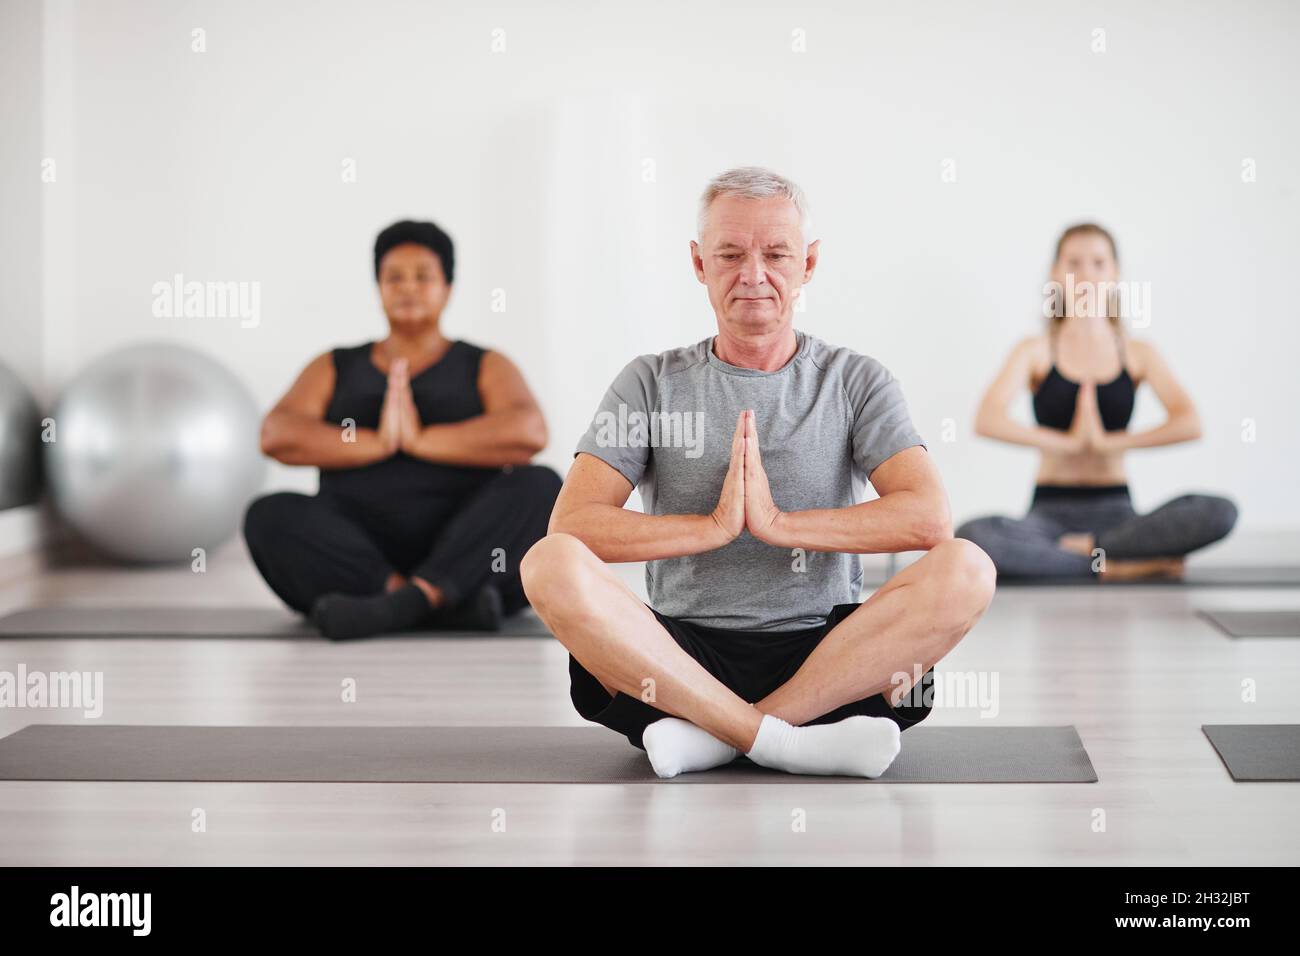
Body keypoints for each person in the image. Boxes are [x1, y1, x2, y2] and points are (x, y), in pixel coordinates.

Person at [520, 167, 996, 779]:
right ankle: (785, 741)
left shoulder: (855, 380)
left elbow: (929, 517)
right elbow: (575, 526)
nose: (753, 274)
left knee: (968, 567)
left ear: (809, 264)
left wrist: (779, 524)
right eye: (729, 253)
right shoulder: (649, 381)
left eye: (776, 254)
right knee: (546, 562)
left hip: (828, 659)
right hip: (676, 659)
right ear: (698, 263)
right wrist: (714, 527)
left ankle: (719, 737)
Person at [244, 219, 562, 639]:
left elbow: (529, 432)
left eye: (423, 277)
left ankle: (401, 604)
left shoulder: (484, 364)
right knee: (268, 515)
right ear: (378, 288)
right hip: (361, 547)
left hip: (467, 544)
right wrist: (377, 441)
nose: (407, 287)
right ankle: (434, 601)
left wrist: (420, 440)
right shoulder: (334, 365)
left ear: (447, 288)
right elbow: (277, 434)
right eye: (394, 277)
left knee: (541, 486)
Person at [956, 223, 1237, 580]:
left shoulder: (1138, 353)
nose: (1086, 273)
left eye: (1099, 263)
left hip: (1119, 517)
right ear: (1057, 273)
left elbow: (1190, 422)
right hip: (1047, 517)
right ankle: (1111, 567)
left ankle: (1091, 550)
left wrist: (1109, 443)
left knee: (1219, 511)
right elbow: (987, 419)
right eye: (1074, 263)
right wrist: (1068, 442)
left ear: (1115, 274)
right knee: (974, 536)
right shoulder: (1035, 351)